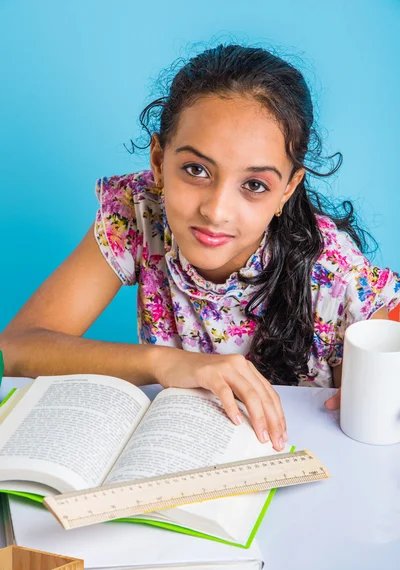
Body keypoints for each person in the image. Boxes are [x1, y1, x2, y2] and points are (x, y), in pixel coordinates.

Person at [1, 43, 399, 453]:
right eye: (196, 170)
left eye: (255, 185)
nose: (216, 211)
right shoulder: (139, 212)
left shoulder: (335, 273)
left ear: (288, 189)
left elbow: (371, 434)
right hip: (174, 454)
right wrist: (163, 362)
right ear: (158, 160)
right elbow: (15, 348)